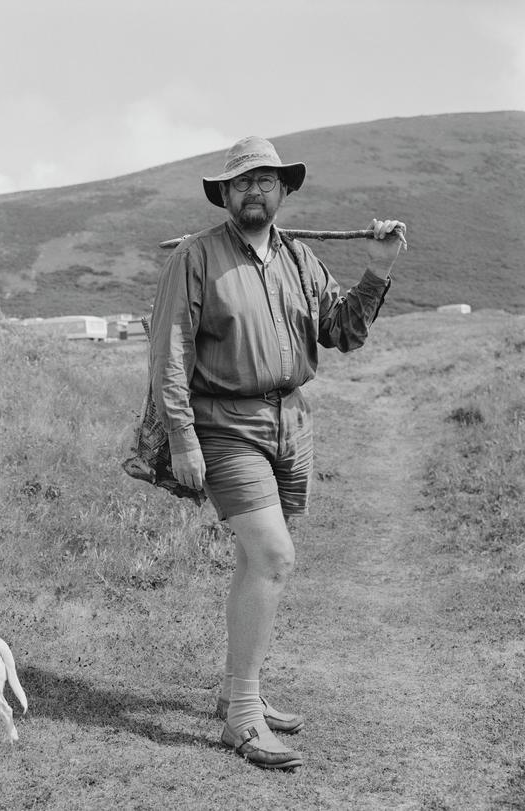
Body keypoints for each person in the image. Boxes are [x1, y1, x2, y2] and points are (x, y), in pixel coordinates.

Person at [149, 135, 406, 770]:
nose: (254, 190)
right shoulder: (196, 257)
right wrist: (182, 437)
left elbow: (342, 332)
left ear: (283, 191)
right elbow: (170, 353)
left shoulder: (300, 259)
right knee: (273, 555)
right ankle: (242, 716)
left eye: (266, 180)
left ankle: (246, 692)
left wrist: (378, 267)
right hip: (224, 424)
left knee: (254, 562)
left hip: (290, 423)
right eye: (241, 183)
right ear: (225, 195)